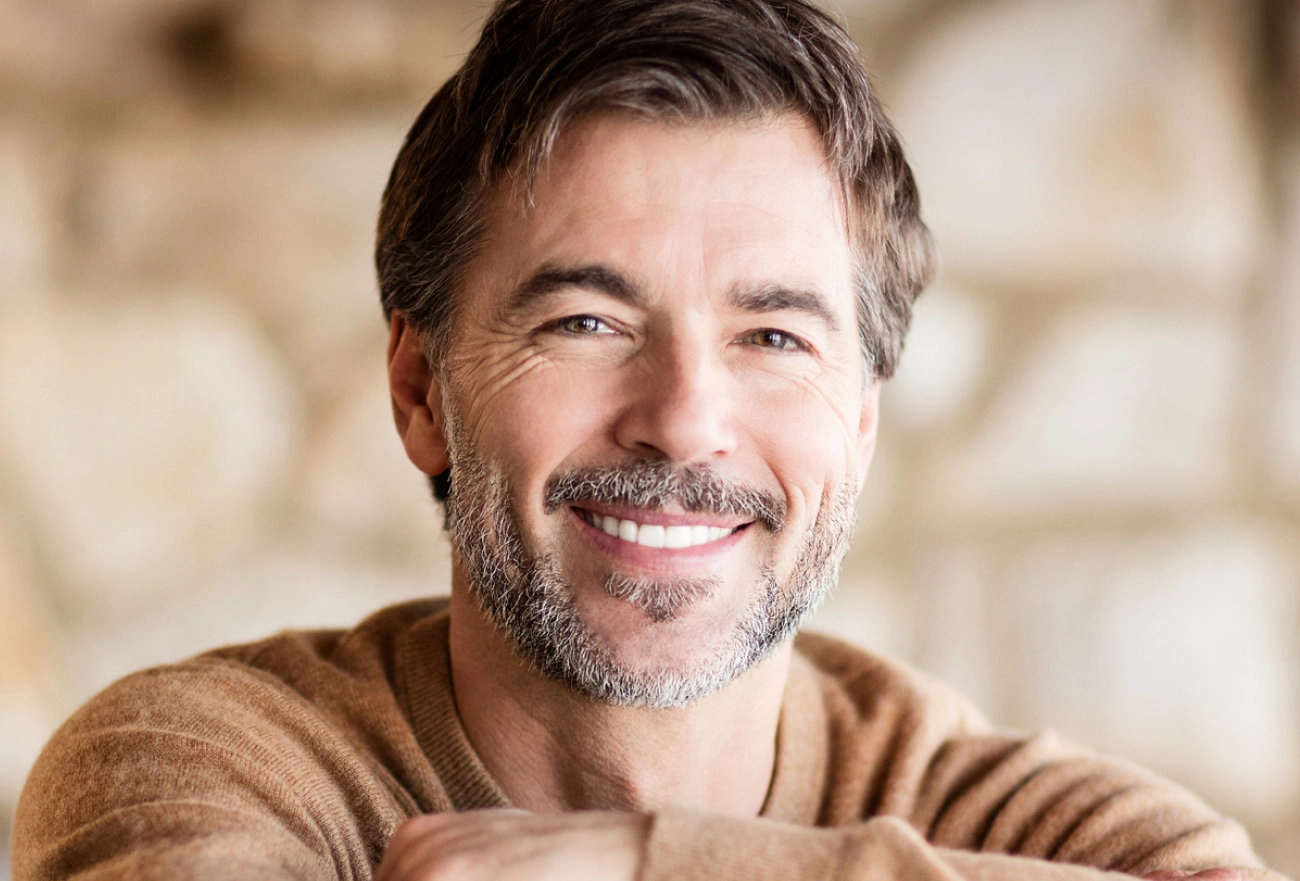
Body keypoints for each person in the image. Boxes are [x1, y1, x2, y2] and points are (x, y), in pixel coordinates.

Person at [11, 1, 1288, 879]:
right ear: (417, 389)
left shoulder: (956, 782)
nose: (683, 415)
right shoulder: (199, 764)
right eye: (585, 318)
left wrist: (648, 861)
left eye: (774, 336)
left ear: (858, 417)